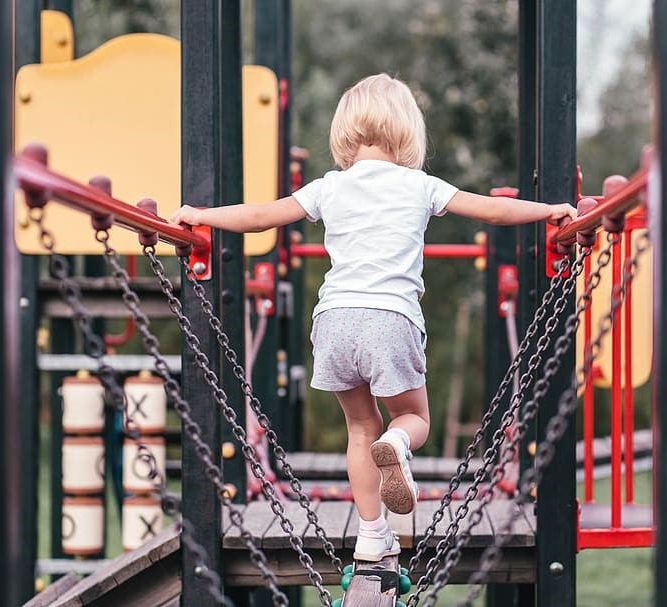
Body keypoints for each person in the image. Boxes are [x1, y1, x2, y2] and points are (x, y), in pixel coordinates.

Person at [170, 73, 577, 562]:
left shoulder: (329, 187)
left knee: (360, 428)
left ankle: (370, 535)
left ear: (344, 132)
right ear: (407, 131)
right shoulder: (419, 185)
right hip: (390, 319)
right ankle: (398, 443)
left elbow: (259, 217)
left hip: (334, 321)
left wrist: (200, 215)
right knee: (412, 417)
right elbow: (492, 211)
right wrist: (550, 210)